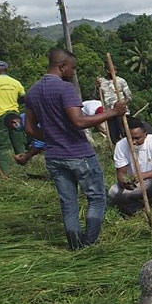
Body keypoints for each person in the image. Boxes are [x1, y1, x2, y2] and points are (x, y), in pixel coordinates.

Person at [25, 48, 126, 250]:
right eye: (73, 68)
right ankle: (90, 242)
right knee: (97, 198)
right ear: (62, 67)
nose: (73, 72)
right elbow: (79, 122)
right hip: (78, 154)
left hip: (54, 156)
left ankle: (76, 247)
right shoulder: (65, 89)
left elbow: (29, 128)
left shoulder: (33, 91)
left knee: (68, 203)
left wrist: (52, 137)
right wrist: (113, 112)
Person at [97, 68, 132, 144]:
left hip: (121, 112)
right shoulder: (101, 82)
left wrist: (123, 104)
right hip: (109, 113)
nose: (114, 72)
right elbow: (97, 96)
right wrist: (97, 87)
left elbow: (129, 97)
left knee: (124, 133)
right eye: (111, 70)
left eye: (115, 70)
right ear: (107, 70)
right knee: (114, 137)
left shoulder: (121, 81)